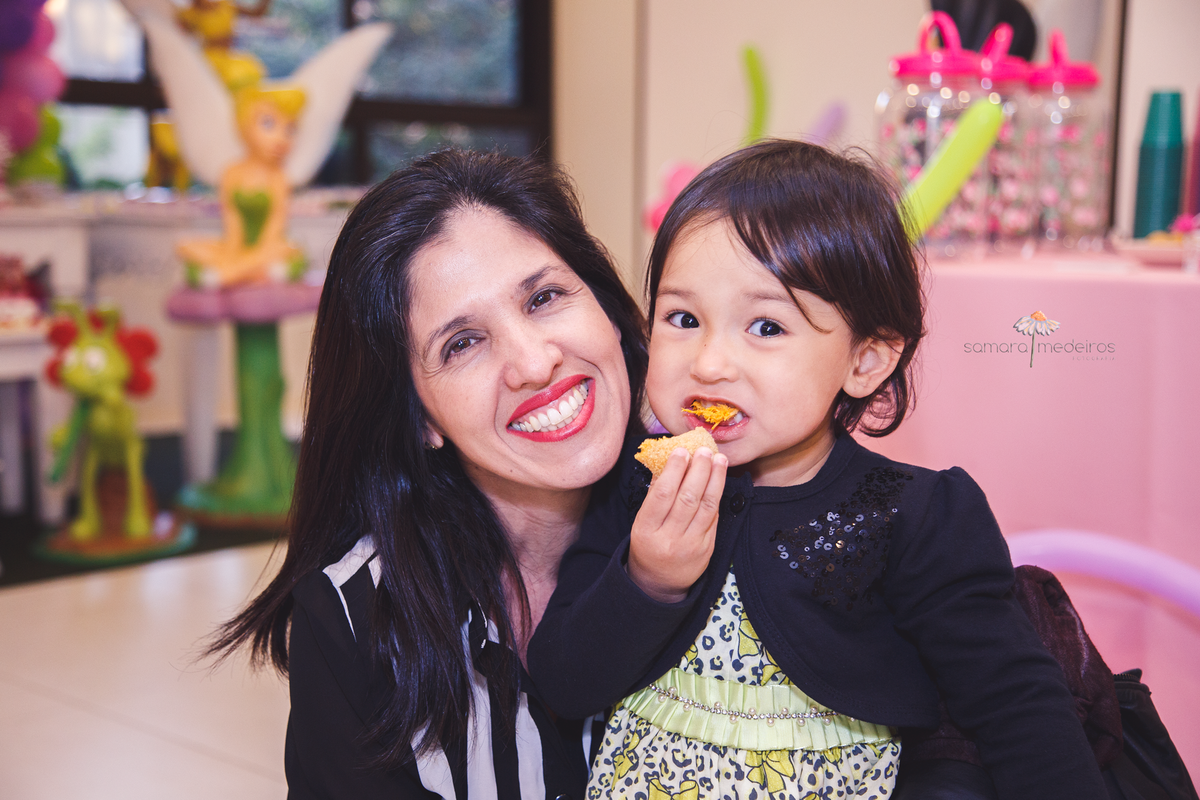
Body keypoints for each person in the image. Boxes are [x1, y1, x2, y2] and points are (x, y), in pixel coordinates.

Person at [526, 140, 1107, 799]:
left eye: (766, 328)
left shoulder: (909, 514)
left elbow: (1016, 708)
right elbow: (563, 684)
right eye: (683, 318)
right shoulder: (634, 489)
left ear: (865, 360)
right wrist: (648, 580)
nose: (709, 363)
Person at [208, 148, 649, 798]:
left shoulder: (736, 520)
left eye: (545, 297)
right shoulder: (356, 620)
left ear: (606, 310)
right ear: (419, 418)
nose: (533, 363)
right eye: (462, 343)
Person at [176, 84, 308, 287]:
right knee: (184, 246)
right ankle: (250, 274)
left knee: (288, 249)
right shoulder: (231, 173)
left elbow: (274, 228)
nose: (281, 138)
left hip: (269, 246)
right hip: (241, 248)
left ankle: (223, 276)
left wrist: (245, 259)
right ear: (244, 126)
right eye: (268, 124)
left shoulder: (279, 178)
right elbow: (232, 224)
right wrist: (234, 254)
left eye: (290, 129)